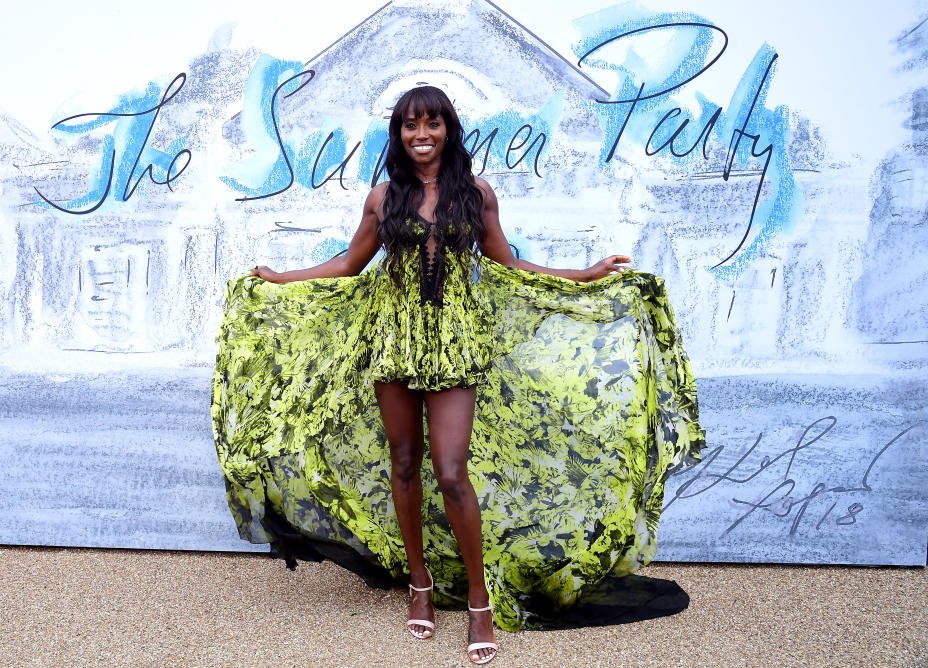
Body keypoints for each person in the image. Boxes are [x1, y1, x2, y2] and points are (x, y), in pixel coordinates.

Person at [212, 86, 705, 664]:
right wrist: (279, 277)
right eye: (410, 126)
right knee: (402, 462)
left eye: (432, 124)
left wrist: (585, 274)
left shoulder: (475, 193)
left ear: (449, 129)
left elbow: (509, 262)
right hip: (393, 337)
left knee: (450, 472)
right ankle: (419, 586)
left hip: (454, 340)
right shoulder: (381, 197)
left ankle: (479, 601)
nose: (421, 135)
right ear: (397, 136)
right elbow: (348, 265)